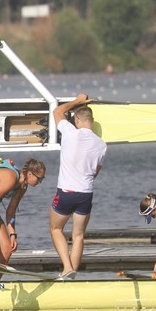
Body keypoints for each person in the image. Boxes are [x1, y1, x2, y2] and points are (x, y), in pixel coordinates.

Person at [49, 93, 107, 279]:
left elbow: (57, 111)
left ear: (77, 120)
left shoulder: (70, 132)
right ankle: (72, 272)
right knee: (79, 236)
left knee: (56, 229)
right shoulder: (101, 145)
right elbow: (96, 172)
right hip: (85, 194)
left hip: (66, 191)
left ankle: (67, 268)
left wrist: (77, 101)